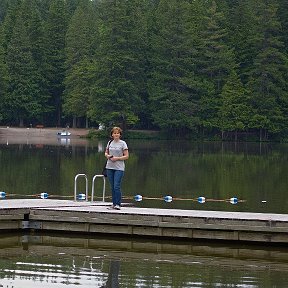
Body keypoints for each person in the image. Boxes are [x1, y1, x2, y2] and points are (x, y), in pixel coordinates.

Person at [104, 127, 129, 210]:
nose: (116, 134)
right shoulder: (109, 142)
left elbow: (126, 156)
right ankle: (114, 204)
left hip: (119, 167)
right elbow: (106, 153)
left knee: (116, 186)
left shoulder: (123, 143)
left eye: (117, 133)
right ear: (112, 135)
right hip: (109, 166)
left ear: (120, 134)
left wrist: (117, 158)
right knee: (112, 186)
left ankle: (118, 204)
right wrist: (108, 156)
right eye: (114, 133)